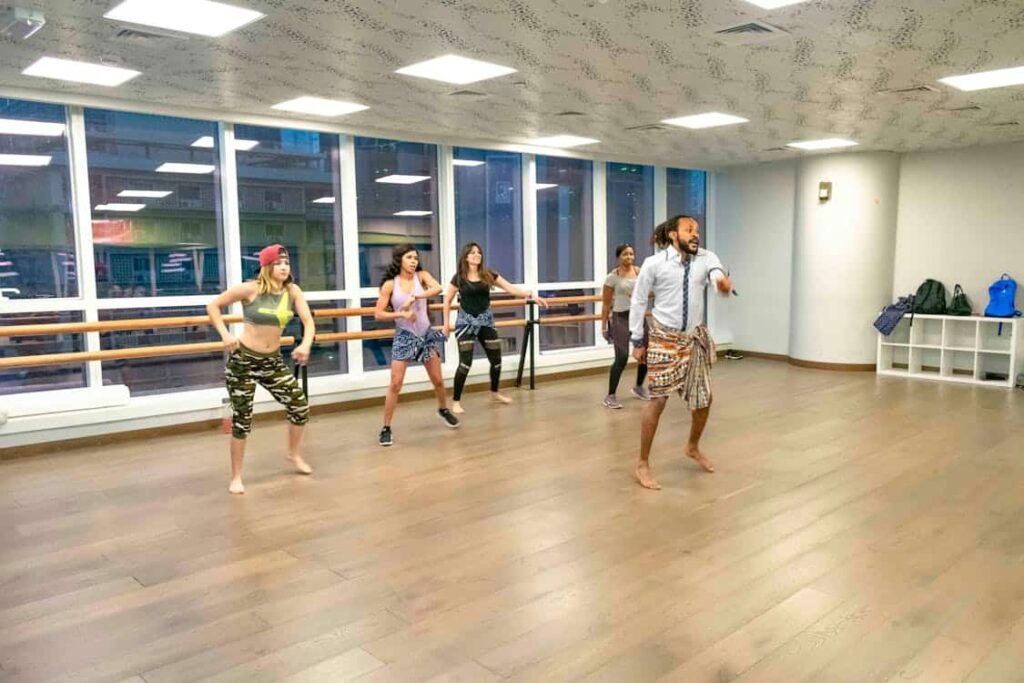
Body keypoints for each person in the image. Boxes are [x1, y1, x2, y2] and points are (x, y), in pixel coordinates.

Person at [629, 216, 733, 490]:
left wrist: (721, 283)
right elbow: (639, 301)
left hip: (693, 338)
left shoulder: (706, 258)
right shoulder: (654, 264)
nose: (695, 234)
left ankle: (692, 446)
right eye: (689, 230)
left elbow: (715, 274)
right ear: (674, 235)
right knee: (657, 401)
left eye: (697, 230)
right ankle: (642, 463)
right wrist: (637, 339)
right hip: (663, 339)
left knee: (704, 399)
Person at [207, 244, 314, 494]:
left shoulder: (293, 291)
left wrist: (306, 344)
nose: (285, 267)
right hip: (243, 361)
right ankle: (236, 476)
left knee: (299, 406)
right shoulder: (250, 288)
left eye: (287, 262)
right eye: (279, 263)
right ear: (267, 266)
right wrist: (225, 335)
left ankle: (293, 454)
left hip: (272, 362)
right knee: (242, 421)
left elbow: (308, 322)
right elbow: (213, 306)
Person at [442, 242, 548, 414]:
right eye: (472, 253)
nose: (477, 255)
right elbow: (446, 300)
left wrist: (531, 295)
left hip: (486, 321)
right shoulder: (459, 277)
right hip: (465, 323)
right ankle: (456, 401)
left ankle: (494, 392)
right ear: (466, 257)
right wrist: (446, 324)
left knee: (496, 360)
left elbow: (510, 288)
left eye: (479, 252)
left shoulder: (488, 275)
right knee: (465, 363)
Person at [375, 243, 459, 447]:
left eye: (415, 258)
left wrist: (416, 296)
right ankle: (386, 428)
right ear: (400, 260)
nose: (413, 261)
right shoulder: (389, 284)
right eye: (409, 257)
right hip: (404, 336)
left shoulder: (422, 276)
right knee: (395, 384)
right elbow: (378, 314)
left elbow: (438, 288)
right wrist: (401, 313)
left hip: (426, 335)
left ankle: (443, 409)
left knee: (438, 380)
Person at [602, 243, 649, 408]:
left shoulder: (639, 272)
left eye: (631, 254)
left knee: (646, 354)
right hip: (620, 318)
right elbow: (606, 304)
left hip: (638, 317)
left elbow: (651, 292)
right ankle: (610, 395)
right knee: (621, 357)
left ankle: (638, 387)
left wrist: (639, 295)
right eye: (625, 254)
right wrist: (604, 326)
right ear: (619, 257)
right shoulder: (612, 277)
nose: (629, 257)